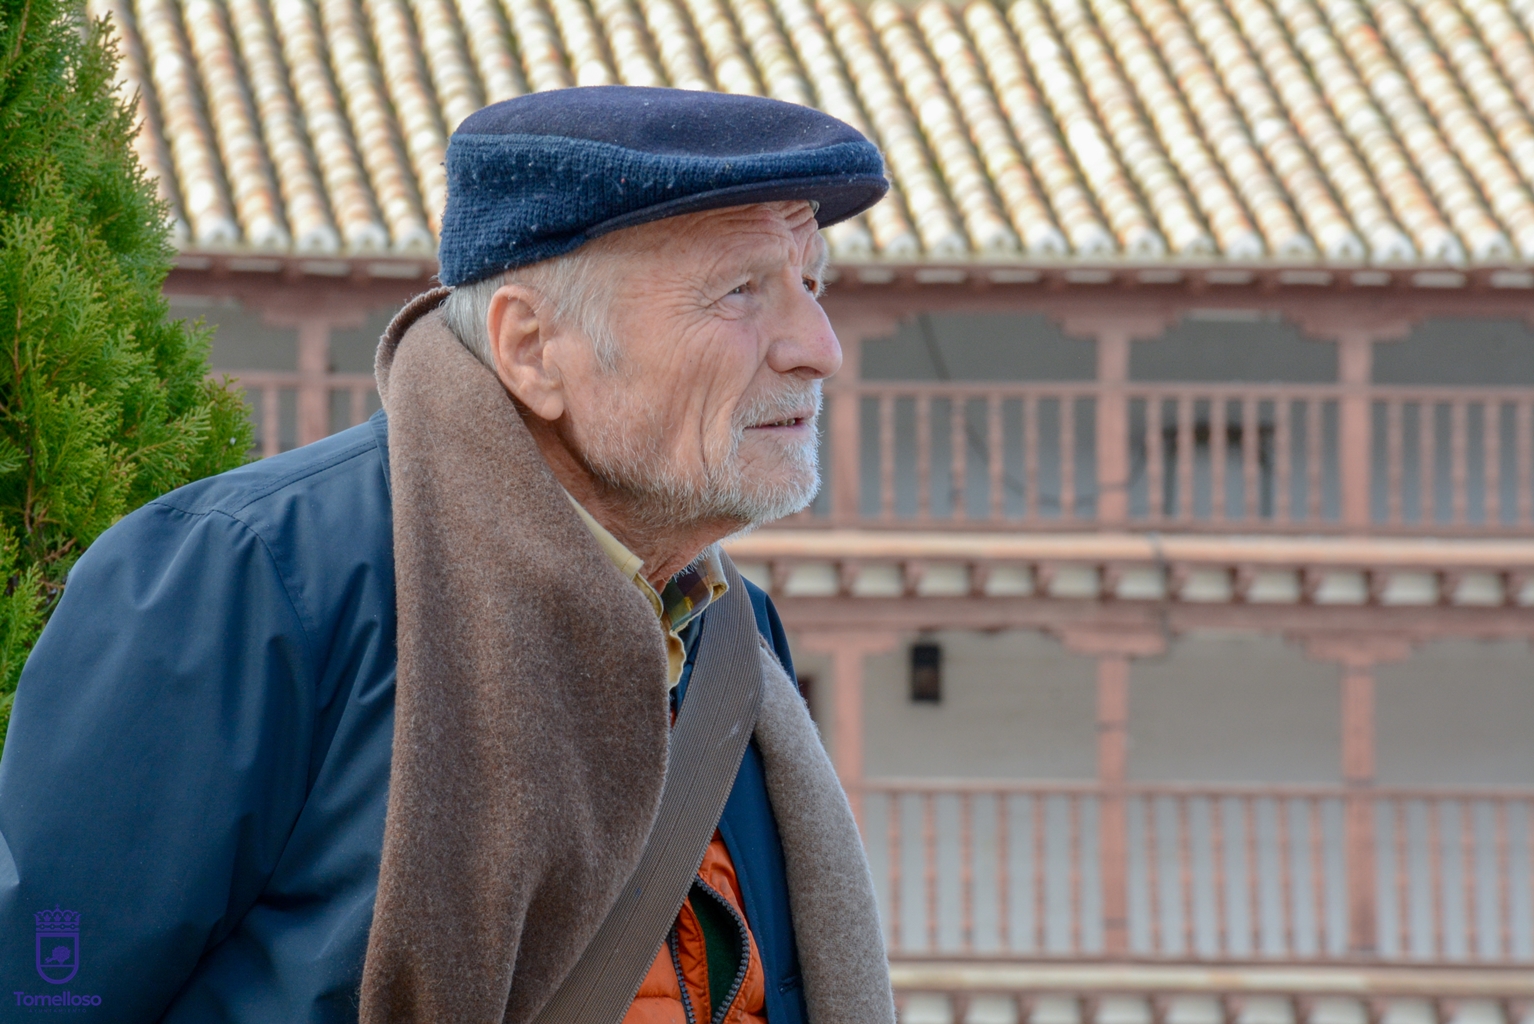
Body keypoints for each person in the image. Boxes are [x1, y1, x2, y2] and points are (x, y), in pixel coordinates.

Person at [0, 86, 896, 1024]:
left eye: (812, 285)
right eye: (741, 291)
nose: (819, 348)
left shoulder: (732, 635)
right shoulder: (246, 582)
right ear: (534, 349)